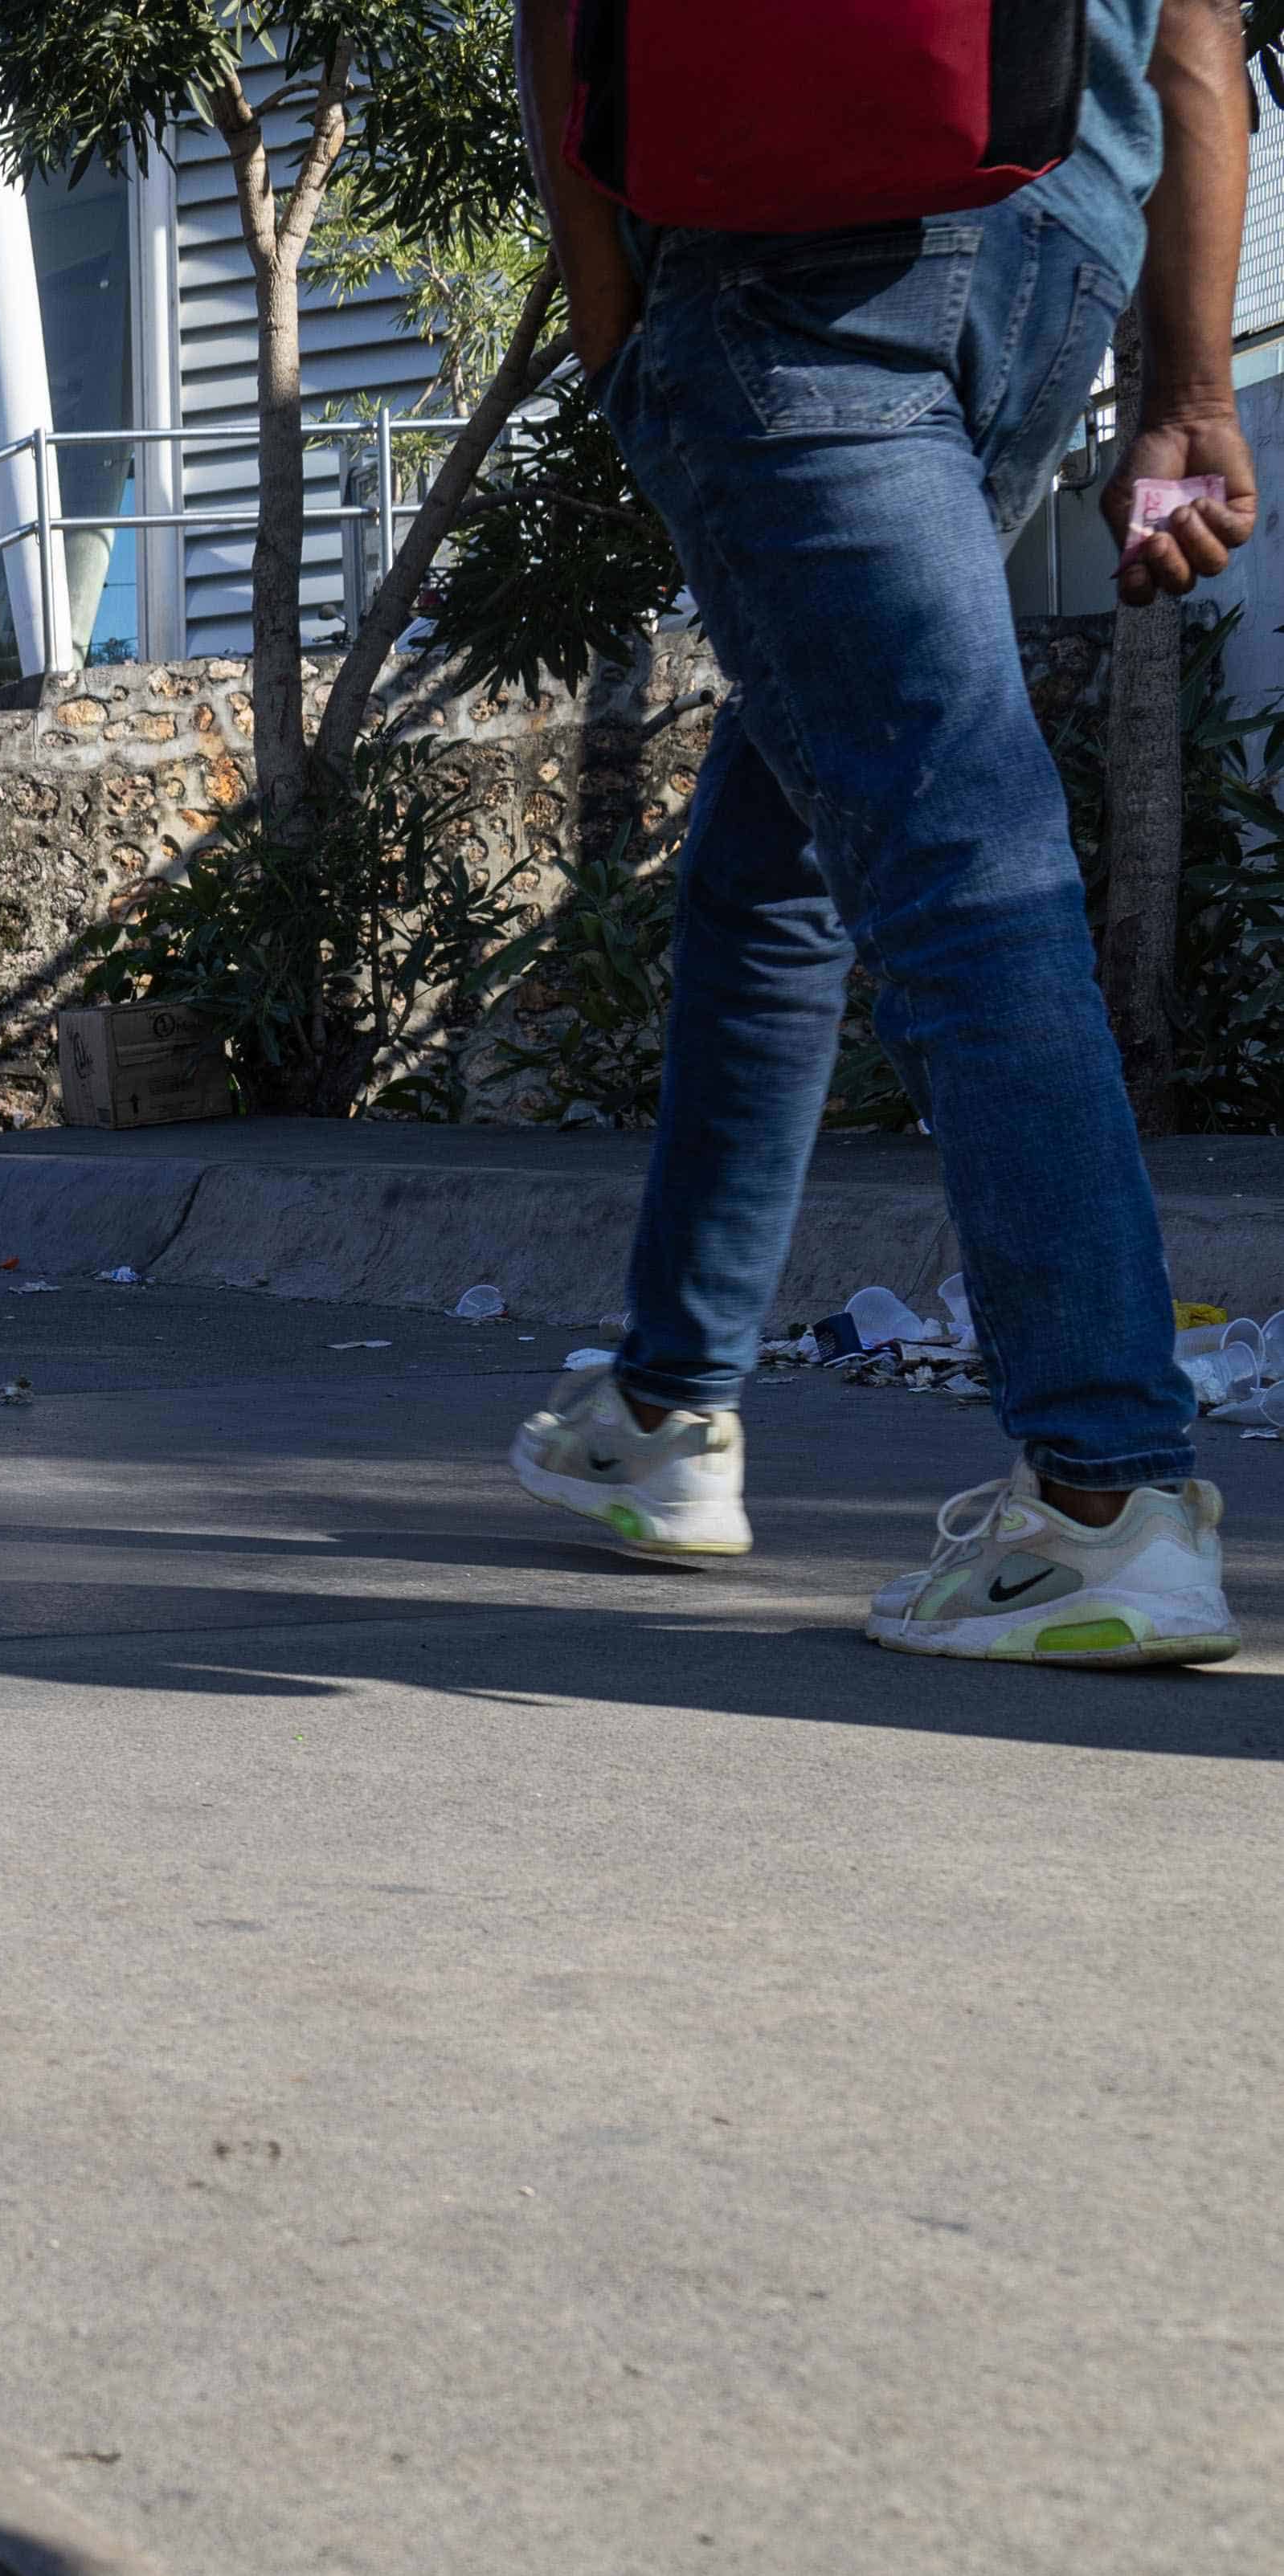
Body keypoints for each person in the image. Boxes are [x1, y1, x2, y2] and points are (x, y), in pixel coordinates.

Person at [507, 0, 1247, 1666]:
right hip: (1049, 246)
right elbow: (1193, 28)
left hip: (778, 264)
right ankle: (663, 1396)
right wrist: (1184, 388)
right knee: (780, 835)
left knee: (956, 864)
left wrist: (606, 314)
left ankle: (1100, 1495)